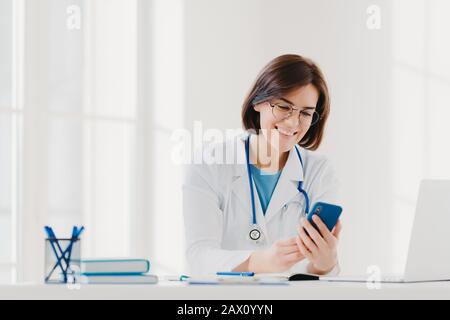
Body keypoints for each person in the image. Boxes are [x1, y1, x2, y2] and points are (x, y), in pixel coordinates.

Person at [183, 54, 342, 275]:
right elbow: (199, 256)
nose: (293, 122)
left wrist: (324, 264)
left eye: (305, 113)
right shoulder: (209, 164)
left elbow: (315, 272)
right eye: (283, 106)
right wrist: (259, 262)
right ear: (258, 102)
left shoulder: (319, 172)